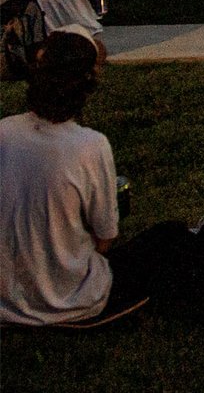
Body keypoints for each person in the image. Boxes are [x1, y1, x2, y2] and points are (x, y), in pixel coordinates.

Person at [0, 26, 148, 326]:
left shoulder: (4, 131)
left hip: (6, 298)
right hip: (72, 300)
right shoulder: (91, 146)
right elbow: (105, 240)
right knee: (156, 247)